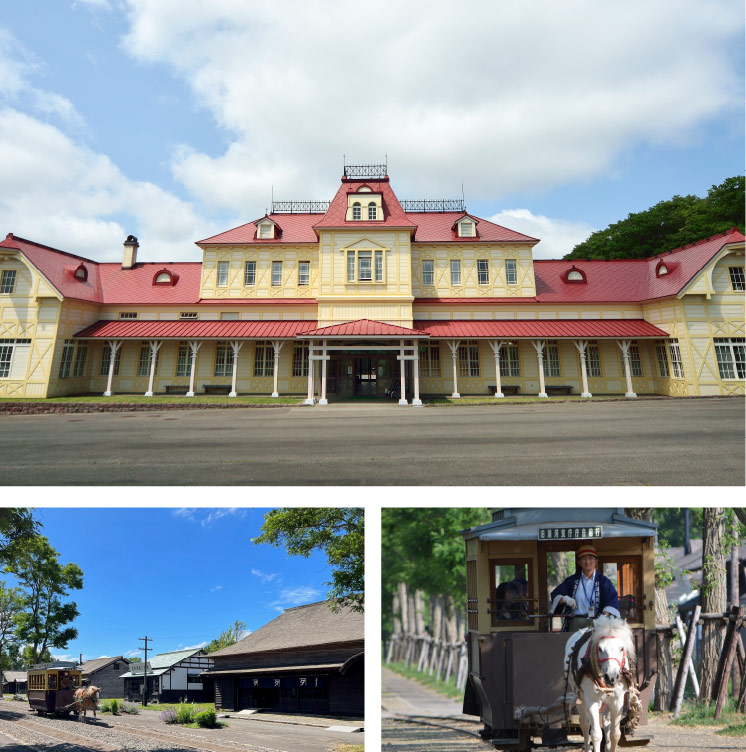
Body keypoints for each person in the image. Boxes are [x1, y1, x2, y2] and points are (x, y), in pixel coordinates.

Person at [550, 543, 620, 632]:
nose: (587, 562)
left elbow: (612, 600)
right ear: (579, 562)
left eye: (591, 558)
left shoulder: (604, 582)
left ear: (596, 561)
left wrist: (605, 615)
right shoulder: (571, 581)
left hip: (597, 622)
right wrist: (565, 599)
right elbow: (555, 595)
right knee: (572, 645)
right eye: (584, 558)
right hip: (576, 622)